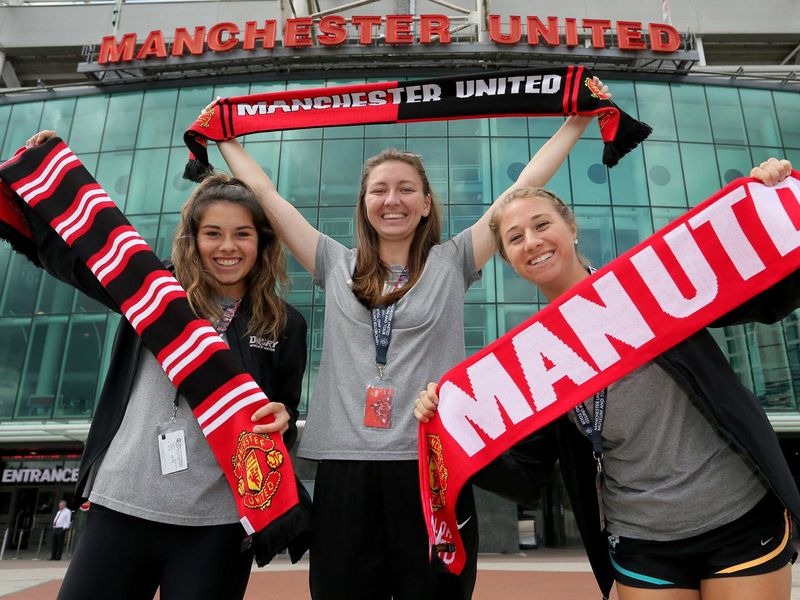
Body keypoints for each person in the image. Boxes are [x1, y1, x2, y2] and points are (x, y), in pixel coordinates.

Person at [209, 78, 608, 600]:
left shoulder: (453, 261)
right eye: (379, 189)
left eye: (405, 190)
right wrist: (226, 137)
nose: (391, 199)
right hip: (346, 465)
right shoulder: (334, 263)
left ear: (424, 204)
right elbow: (266, 195)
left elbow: (520, 192)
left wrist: (575, 121)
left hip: (432, 462)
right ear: (364, 203)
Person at [415, 158, 800, 600]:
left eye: (542, 224)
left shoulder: (650, 283)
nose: (533, 242)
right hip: (641, 540)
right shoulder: (532, 357)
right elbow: (524, 476)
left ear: (571, 227)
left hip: (737, 514)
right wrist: (450, 432)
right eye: (515, 238)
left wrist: (770, 200)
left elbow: (766, 296)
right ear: (509, 261)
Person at [22, 130, 308, 600]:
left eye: (242, 234)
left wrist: (283, 419)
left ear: (263, 242)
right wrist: (41, 173)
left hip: (217, 523)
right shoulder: (155, 292)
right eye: (212, 233)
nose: (227, 247)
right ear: (193, 239)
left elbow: (285, 413)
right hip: (121, 505)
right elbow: (78, 256)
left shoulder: (285, 324)